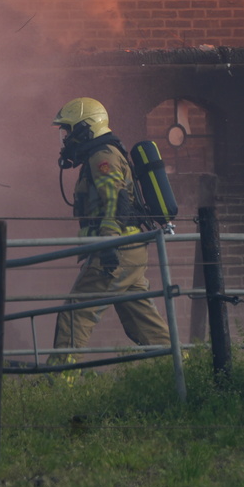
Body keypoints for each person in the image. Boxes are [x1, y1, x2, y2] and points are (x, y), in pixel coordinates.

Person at [50, 97, 172, 357]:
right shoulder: (102, 154)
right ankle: (185, 370)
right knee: (142, 323)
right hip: (129, 248)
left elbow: (114, 200)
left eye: (69, 130)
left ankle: (59, 380)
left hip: (118, 249)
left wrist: (108, 244)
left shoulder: (102, 157)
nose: (66, 138)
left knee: (76, 312)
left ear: (86, 127)